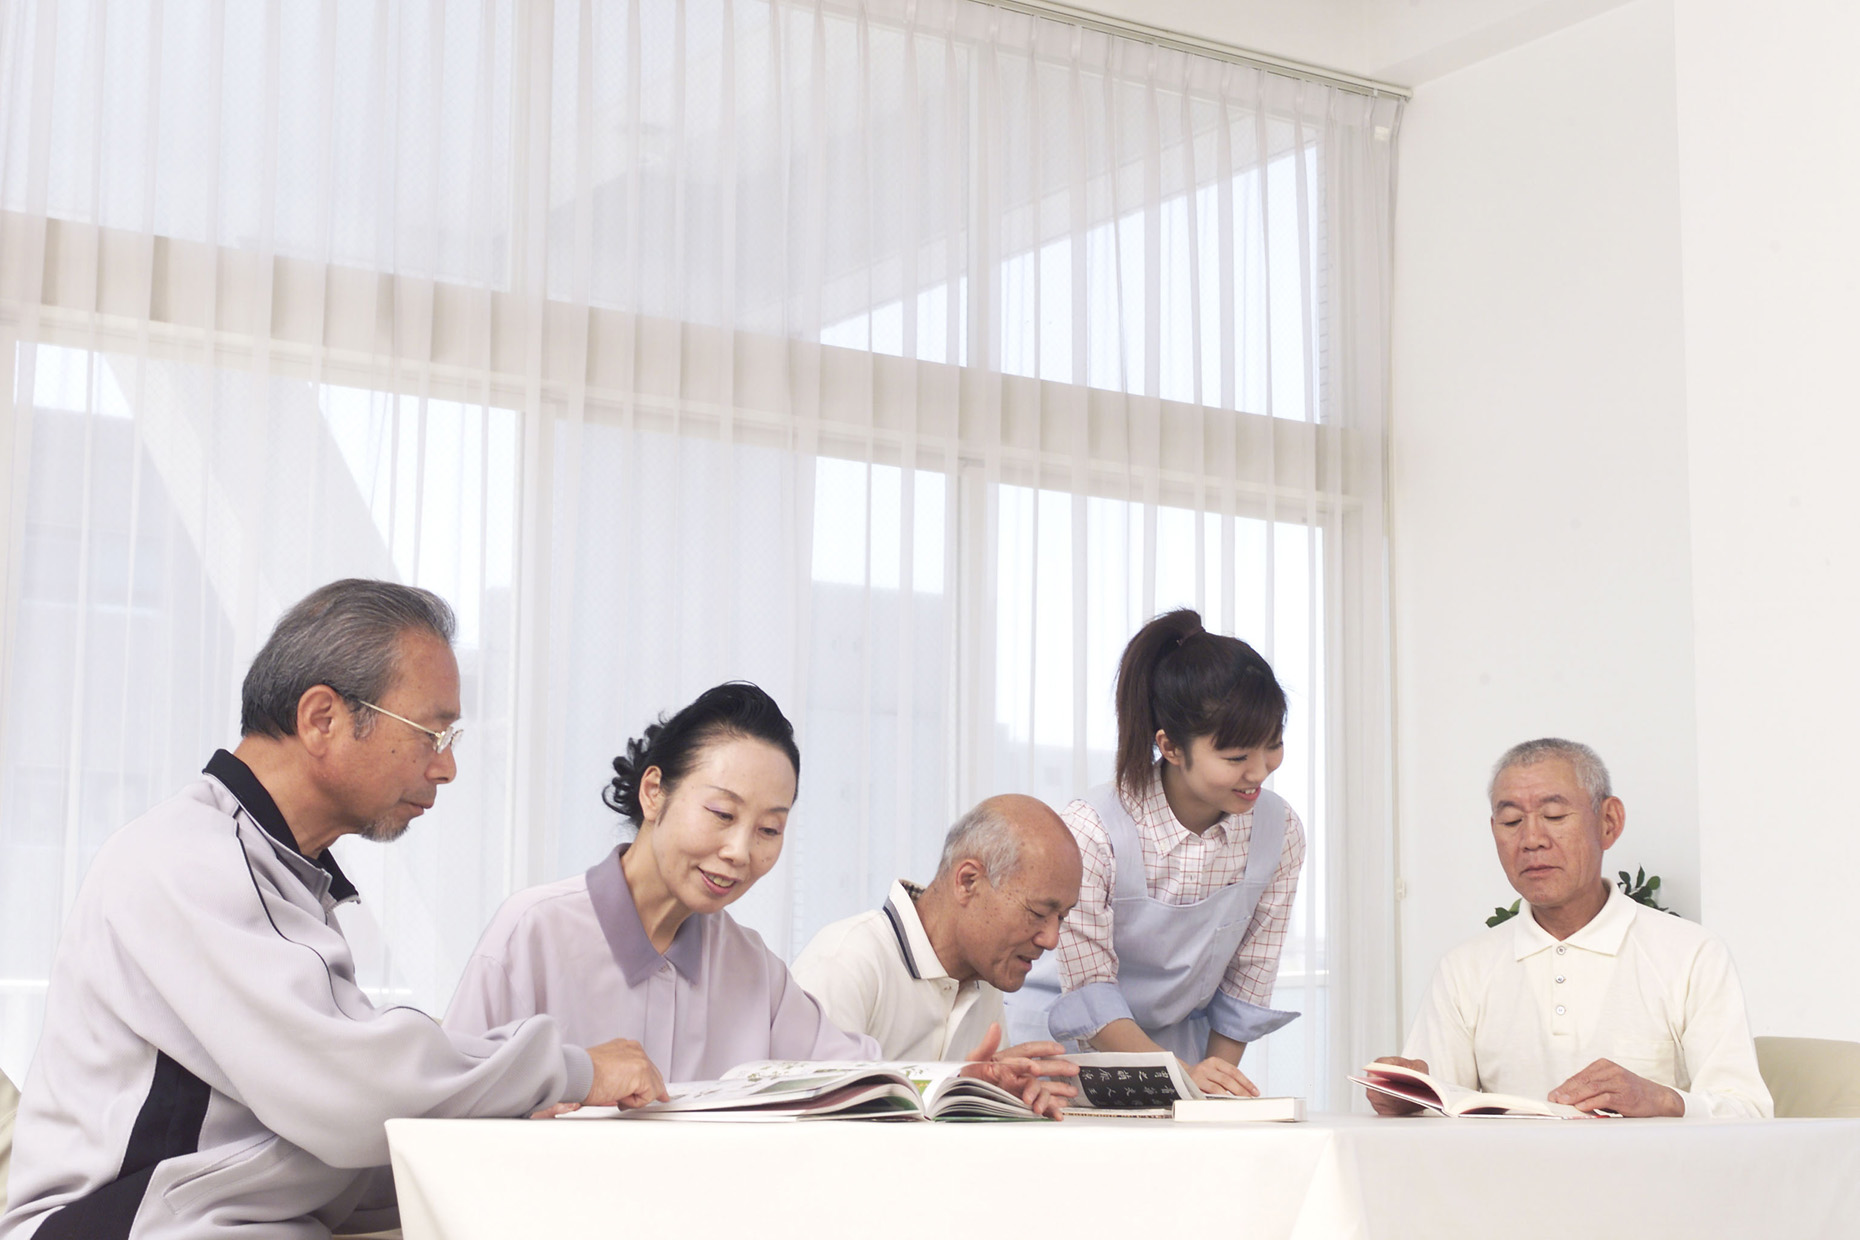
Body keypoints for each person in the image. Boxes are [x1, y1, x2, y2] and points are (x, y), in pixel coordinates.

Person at [0, 580, 660, 1240]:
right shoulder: (194, 861)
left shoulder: (276, 871)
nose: (448, 766)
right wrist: (573, 1069)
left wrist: (486, 1127)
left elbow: (305, 1138)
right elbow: (353, 1091)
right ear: (323, 719)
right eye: (431, 733)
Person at [446, 683, 878, 1080]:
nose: (740, 852)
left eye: (769, 829)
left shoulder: (753, 970)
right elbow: (452, 1097)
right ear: (654, 792)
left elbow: (860, 1077)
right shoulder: (532, 932)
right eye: (723, 814)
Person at [1366, 738, 1772, 1119]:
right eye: (1510, 821)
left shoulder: (1691, 954)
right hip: (1506, 1187)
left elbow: (1749, 1111)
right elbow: (1439, 1108)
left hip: (1650, 1187)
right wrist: (1404, 1099)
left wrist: (1662, 1099)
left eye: (1554, 816)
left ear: (1609, 822)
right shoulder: (1464, 969)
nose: (1531, 839)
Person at [1004, 609, 1305, 1098]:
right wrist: (1179, 1075)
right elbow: (1091, 991)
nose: (1259, 772)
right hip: (1067, 1052)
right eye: (1235, 758)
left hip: (1178, 1053)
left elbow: (1248, 978)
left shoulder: (1280, 830)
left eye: (1272, 746)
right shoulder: (1093, 830)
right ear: (1170, 747)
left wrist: (1209, 1085)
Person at [792, 795, 1084, 1074]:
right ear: (968, 881)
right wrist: (957, 1085)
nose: (1051, 940)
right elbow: (810, 1109)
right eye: (1037, 912)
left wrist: (1004, 1104)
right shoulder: (845, 960)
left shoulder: (985, 979)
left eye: (1062, 918)